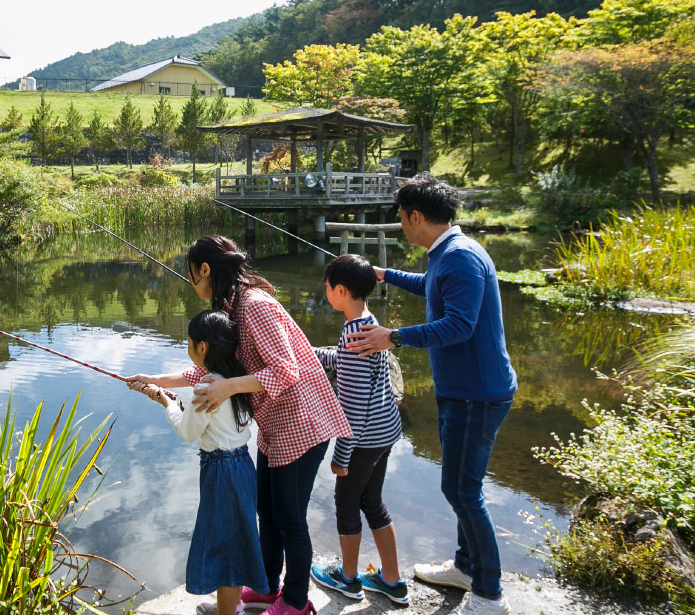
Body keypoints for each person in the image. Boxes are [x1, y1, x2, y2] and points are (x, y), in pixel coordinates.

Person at [125, 235, 350, 615]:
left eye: (191, 274)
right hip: (274, 426)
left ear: (206, 270)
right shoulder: (230, 305)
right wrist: (159, 380)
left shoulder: (255, 305)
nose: (191, 282)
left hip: (301, 422)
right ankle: (265, 587)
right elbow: (208, 369)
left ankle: (297, 602)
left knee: (290, 519)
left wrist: (228, 386)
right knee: (266, 509)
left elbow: (285, 370)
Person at [346, 173, 518, 615]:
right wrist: (387, 275)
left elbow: (460, 325)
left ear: (416, 216)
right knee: (464, 486)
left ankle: (489, 594)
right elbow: (431, 287)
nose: (402, 225)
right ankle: (466, 567)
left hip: (476, 394)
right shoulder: (448, 253)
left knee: (463, 492)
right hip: (465, 391)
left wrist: (394, 336)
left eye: (402, 218)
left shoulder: (459, 257)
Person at [130, 310, 267, 615]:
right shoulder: (234, 378)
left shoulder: (206, 387)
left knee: (226, 543)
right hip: (243, 465)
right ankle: (229, 605)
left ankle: (230, 612)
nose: (188, 347)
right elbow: (203, 421)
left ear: (202, 347)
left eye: (189, 342)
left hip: (221, 472)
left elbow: (187, 431)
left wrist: (165, 402)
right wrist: (172, 398)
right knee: (231, 536)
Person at [307, 254, 407, 606]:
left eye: (327, 288)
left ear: (340, 290)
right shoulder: (367, 323)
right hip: (386, 430)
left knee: (347, 504)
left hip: (363, 439)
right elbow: (347, 361)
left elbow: (351, 406)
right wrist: (312, 353)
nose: (325, 293)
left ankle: (348, 579)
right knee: (373, 501)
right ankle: (391, 580)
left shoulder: (352, 336)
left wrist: (341, 455)